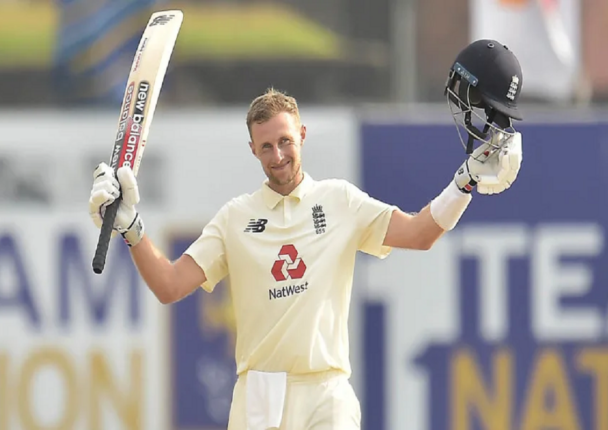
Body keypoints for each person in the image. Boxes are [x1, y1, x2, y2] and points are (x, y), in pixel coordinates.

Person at [88, 39, 524, 430]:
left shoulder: (339, 201)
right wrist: (131, 227)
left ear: (301, 135)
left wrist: (464, 182)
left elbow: (420, 233)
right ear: (252, 150)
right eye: (265, 147)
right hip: (258, 397)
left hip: (326, 392)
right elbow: (169, 285)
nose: (277, 156)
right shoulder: (235, 217)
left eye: (284, 142)